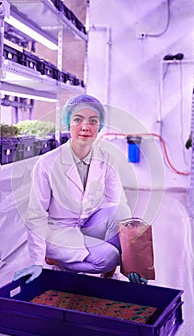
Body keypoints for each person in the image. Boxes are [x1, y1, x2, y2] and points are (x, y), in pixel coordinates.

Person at [13, 94, 146, 284]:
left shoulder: (106, 158)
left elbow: (118, 203)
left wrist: (133, 262)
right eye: (77, 120)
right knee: (109, 258)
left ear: (99, 126)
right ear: (68, 124)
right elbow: (36, 214)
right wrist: (37, 262)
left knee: (117, 213)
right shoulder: (47, 163)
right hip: (59, 230)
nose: (85, 127)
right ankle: (56, 260)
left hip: (87, 223)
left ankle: (109, 267)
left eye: (93, 121)